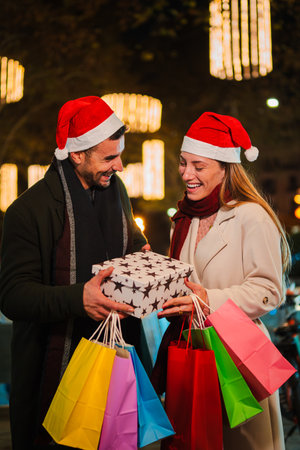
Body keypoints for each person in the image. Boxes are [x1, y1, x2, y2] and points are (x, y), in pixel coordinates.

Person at [0, 96, 149, 449]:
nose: (121, 166)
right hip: (52, 376)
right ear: (77, 154)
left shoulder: (116, 191)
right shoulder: (29, 210)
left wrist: (145, 258)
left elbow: (130, 240)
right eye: (109, 157)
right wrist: (78, 298)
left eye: (120, 155)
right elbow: (12, 296)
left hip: (117, 365)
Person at [154, 112, 291, 450]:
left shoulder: (251, 216)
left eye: (198, 166)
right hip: (191, 349)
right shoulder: (182, 219)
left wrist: (207, 299)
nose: (187, 174)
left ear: (225, 166)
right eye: (184, 163)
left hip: (238, 352)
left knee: (240, 441)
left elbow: (269, 292)